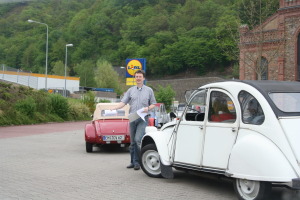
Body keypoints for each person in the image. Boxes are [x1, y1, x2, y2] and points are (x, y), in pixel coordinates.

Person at [112, 70, 156, 170]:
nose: (138, 78)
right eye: (136, 76)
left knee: (137, 140)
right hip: (133, 118)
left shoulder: (149, 90)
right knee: (132, 142)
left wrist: (148, 108)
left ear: (143, 78)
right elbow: (123, 102)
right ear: (135, 78)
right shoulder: (130, 90)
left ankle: (138, 162)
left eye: (140, 76)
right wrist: (114, 108)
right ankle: (132, 162)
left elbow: (153, 103)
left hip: (143, 118)